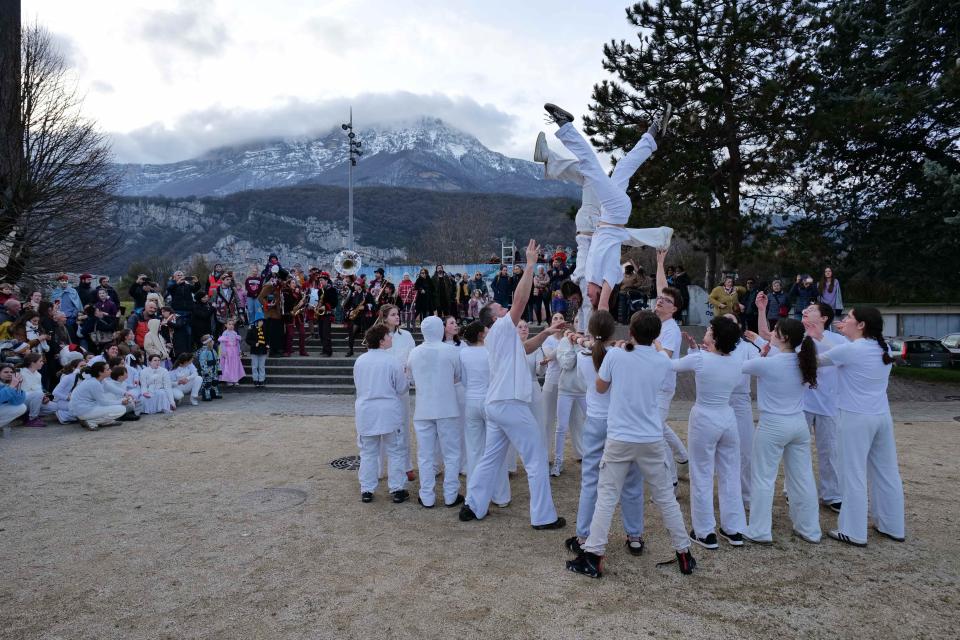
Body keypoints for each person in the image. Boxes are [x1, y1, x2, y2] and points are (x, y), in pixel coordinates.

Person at [566, 311, 696, 578]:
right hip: (650, 438)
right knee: (665, 497)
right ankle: (684, 552)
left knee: (606, 496)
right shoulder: (661, 360)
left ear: (631, 332)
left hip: (621, 436)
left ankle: (594, 554)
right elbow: (658, 357)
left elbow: (601, 387)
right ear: (656, 335)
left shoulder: (616, 355)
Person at [459, 239, 566, 530]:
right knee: (536, 458)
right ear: (494, 318)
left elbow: (526, 348)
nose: (504, 308)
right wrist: (530, 264)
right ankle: (543, 517)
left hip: (497, 404)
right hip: (508, 403)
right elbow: (520, 301)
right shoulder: (501, 328)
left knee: (490, 458)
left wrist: (546, 333)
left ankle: (473, 505)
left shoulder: (503, 338)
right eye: (499, 307)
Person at [541, 102, 673, 312]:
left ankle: (654, 132)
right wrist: (601, 305)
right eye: (593, 298)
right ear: (603, 294)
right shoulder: (610, 276)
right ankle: (565, 125)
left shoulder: (590, 275)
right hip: (615, 212)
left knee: (623, 167)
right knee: (590, 166)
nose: (588, 296)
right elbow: (604, 300)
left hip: (607, 214)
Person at [818, 307, 904, 547]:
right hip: (881, 416)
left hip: (854, 417)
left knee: (852, 473)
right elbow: (839, 352)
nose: (843, 320)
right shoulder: (883, 348)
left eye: (848, 318)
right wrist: (823, 336)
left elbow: (816, 362)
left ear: (861, 324)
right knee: (887, 471)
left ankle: (852, 530)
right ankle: (893, 525)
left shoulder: (852, 350)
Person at [567, 310, 646, 558]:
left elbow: (585, 379)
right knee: (631, 479)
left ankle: (583, 534)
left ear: (590, 331)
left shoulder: (584, 355)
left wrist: (581, 340)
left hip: (596, 421)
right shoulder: (621, 354)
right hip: (621, 422)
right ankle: (634, 535)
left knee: (591, 478)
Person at [741, 318, 822, 545]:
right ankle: (810, 529)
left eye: (775, 331)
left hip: (773, 424)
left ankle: (759, 530)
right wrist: (764, 348)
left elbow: (743, 367)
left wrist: (762, 352)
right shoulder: (803, 361)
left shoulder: (769, 363)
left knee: (763, 478)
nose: (771, 334)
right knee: (803, 477)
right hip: (798, 424)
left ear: (784, 337)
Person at [671, 317, 747, 549]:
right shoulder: (736, 359)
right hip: (727, 418)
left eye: (710, 329)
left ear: (715, 337)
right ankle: (734, 528)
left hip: (705, 417)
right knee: (730, 474)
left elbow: (671, 365)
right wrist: (696, 351)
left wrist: (655, 347)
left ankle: (705, 531)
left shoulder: (700, 359)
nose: (707, 330)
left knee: (702, 473)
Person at [407, 316, 463, 508]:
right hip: (447, 407)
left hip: (423, 408)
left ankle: (427, 495)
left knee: (425, 455)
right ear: (440, 330)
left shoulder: (414, 352)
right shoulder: (451, 351)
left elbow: (410, 379)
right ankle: (450, 495)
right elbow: (458, 376)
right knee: (451, 453)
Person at [353, 323, 409, 504]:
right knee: (395, 450)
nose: (391, 338)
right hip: (388, 410)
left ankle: (367, 489)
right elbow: (401, 388)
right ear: (381, 341)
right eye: (388, 336)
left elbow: (358, 385)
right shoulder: (392, 361)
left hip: (367, 410)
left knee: (368, 452)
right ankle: (397, 488)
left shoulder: (360, 360)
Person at [459, 321, 511, 507]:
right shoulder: (491, 351)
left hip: (472, 400)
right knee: (495, 450)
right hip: (490, 399)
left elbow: (463, 379)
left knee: (474, 450)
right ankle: (500, 495)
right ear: (481, 335)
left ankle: (474, 496)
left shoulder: (463, 353)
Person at [652, 249, 689, 484]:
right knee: (658, 426)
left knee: (655, 432)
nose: (660, 300)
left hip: (662, 388)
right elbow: (661, 287)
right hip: (651, 385)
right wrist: (660, 262)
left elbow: (664, 358)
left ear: (673, 309)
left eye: (666, 301)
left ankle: (671, 481)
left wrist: (650, 342)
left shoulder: (671, 330)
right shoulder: (659, 319)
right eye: (660, 298)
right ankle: (683, 458)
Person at [374, 304, 417, 481]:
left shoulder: (406, 336)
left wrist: (408, 374)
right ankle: (379, 467)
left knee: (403, 427)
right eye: (393, 314)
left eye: (397, 314)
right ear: (384, 317)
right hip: (383, 389)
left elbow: (412, 358)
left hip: (401, 388)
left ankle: (406, 465)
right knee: (381, 428)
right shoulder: (377, 336)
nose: (397, 317)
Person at [552, 329, 586, 476]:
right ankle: (558, 462)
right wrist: (574, 346)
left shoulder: (587, 342)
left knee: (593, 423)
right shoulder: (564, 342)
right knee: (561, 427)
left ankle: (593, 457)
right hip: (566, 390)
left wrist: (581, 344)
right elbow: (567, 364)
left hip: (584, 390)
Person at [68, 361, 127, 430]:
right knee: (121, 409)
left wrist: (125, 393)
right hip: (84, 411)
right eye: (108, 369)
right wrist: (121, 402)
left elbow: (110, 388)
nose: (111, 371)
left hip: (85, 408)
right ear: (100, 373)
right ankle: (91, 422)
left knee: (111, 399)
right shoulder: (94, 383)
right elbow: (104, 402)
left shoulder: (98, 380)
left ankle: (105, 422)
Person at [20, 353, 55, 427]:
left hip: (36, 399)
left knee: (55, 407)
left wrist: (44, 398)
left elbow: (39, 389)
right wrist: (40, 396)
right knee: (38, 394)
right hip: (22, 401)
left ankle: (27, 415)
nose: (42, 363)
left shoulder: (38, 375)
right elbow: (21, 392)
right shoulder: (21, 373)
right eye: (40, 361)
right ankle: (32, 419)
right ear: (32, 363)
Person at [0, 363, 28, 432]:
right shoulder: (9, 386)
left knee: (21, 407)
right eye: (6, 372)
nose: (9, 374)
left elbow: (17, 402)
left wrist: (18, 386)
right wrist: (11, 386)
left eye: (11, 372)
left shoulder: (7, 385)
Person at [218, 319, 244, 386]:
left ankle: (235, 379)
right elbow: (222, 344)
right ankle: (229, 380)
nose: (231, 326)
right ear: (226, 325)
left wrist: (239, 351)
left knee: (235, 365)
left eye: (232, 324)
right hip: (228, 351)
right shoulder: (225, 333)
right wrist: (223, 352)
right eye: (229, 324)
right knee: (228, 365)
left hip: (234, 351)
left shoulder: (235, 333)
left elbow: (237, 343)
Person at [197, 334, 223, 401]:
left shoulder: (213, 350)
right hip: (208, 370)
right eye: (211, 341)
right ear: (207, 342)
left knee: (215, 382)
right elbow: (202, 362)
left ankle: (214, 394)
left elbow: (217, 360)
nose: (213, 342)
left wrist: (219, 369)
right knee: (207, 383)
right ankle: (206, 395)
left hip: (214, 369)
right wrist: (205, 371)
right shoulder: (203, 351)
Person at [245, 318, 269, 389]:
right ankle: (255, 380)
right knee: (255, 366)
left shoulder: (265, 330)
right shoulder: (252, 329)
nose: (261, 322)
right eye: (260, 321)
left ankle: (261, 380)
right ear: (256, 322)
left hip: (263, 350)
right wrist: (254, 343)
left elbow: (268, 338)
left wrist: (267, 344)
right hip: (254, 350)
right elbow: (247, 340)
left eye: (262, 321)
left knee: (261, 366)